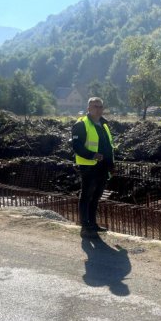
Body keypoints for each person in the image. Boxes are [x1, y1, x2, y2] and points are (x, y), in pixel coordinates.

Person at [71, 97, 115, 238]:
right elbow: (76, 146)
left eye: (100, 106)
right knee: (86, 196)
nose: (98, 109)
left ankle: (93, 224)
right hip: (89, 166)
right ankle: (85, 226)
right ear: (88, 108)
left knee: (96, 196)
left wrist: (111, 165)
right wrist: (92, 155)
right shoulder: (81, 124)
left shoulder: (104, 125)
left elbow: (108, 147)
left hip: (102, 167)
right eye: (95, 106)